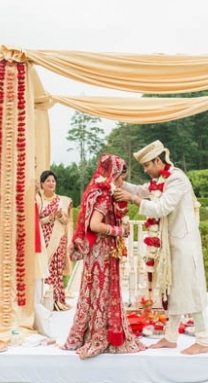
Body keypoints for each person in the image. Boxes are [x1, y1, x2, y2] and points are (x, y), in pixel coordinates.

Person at [113, 140, 208, 355]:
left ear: (158, 161)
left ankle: (203, 340)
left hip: (184, 244)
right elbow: (141, 190)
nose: (146, 170)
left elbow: (161, 207)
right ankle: (170, 337)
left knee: (191, 289)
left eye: (147, 166)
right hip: (171, 244)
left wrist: (134, 200)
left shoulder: (176, 179)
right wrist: (121, 184)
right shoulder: (160, 180)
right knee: (172, 290)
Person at [62, 154, 147, 359]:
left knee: (96, 291)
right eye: (119, 177)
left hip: (98, 252)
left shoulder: (97, 190)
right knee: (102, 291)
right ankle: (100, 335)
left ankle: (92, 333)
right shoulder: (103, 195)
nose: (120, 182)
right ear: (112, 174)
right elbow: (94, 225)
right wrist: (120, 230)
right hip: (102, 253)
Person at [37, 170, 73, 311]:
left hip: (58, 239)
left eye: (53, 181)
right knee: (44, 269)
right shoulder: (38, 200)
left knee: (56, 270)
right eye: (48, 181)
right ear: (42, 184)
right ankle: (43, 299)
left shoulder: (62, 201)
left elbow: (66, 222)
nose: (51, 183)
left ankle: (56, 299)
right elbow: (36, 221)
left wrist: (59, 217)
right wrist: (50, 218)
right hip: (42, 239)